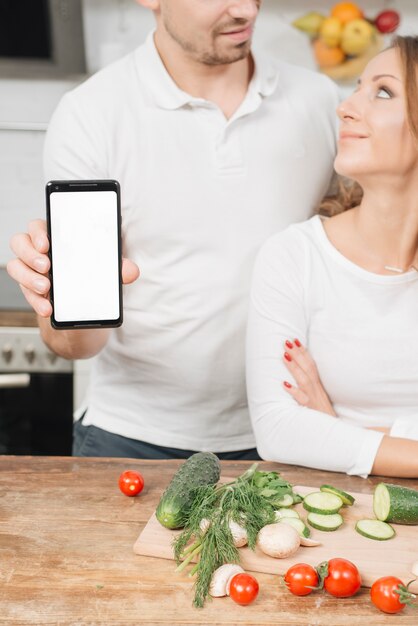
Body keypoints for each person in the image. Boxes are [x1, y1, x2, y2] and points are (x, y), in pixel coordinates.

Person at [7, 0, 339, 459]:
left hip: (285, 433)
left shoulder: (319, 100)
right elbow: (77, 344)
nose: (246, 9)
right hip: (131, 439)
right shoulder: (91, 113)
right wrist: (56, 303)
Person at [246, 35, 418, 478]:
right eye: (357, 87)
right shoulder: (294, 257)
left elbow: (309, 433)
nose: (346, 106)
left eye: (382, 91)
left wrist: (337, 430)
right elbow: (277, 428)